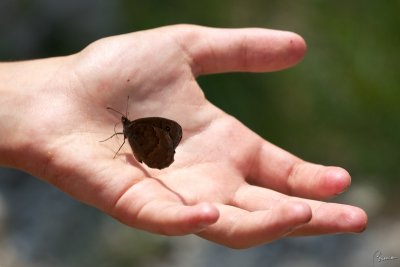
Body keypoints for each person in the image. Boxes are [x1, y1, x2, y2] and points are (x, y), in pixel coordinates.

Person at [0, 24, 367, 249]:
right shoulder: (134, 127)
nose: (124, 124)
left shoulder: (137, 128)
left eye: (125, 121)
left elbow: (159, 130)